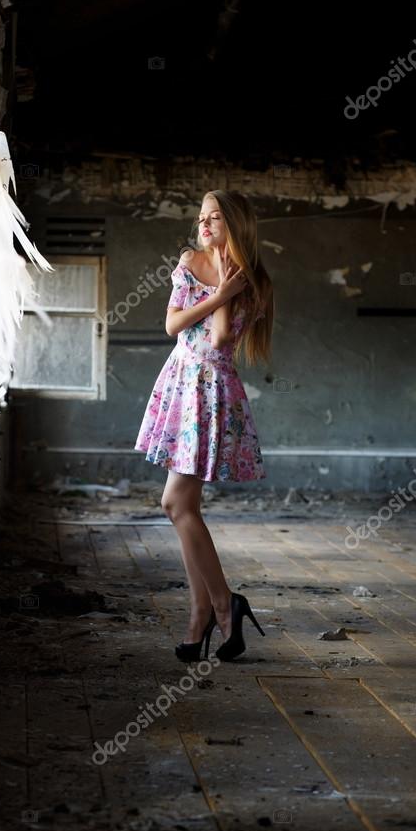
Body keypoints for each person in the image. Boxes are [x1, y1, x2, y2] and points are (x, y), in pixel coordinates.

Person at [134, 189, 273, 662]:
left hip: (211, 391)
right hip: (181, 382)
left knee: (175, 502)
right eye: (202, 217)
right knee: (180, 504)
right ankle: (203, 615)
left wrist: (228, 293)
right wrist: (219, 293)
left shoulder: (255, 281)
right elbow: (173, 326)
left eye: (215, 217)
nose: (205, 224)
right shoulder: (191, 259)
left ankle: (221, 606)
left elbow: (217, 338)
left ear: (236, 224)